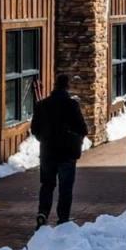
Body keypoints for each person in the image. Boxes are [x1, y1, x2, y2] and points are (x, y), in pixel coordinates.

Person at [29, 74, 88, 229]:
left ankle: (43, 212)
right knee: (65, 188)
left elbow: (34, 129)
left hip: (47, 152)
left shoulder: (42, 105)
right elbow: (83, 129)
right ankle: (63, 218)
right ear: (67, 86)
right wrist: (75, 138)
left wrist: (44, 139)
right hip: (67, 153)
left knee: (47, 185)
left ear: (54, 86)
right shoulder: (72, 105)